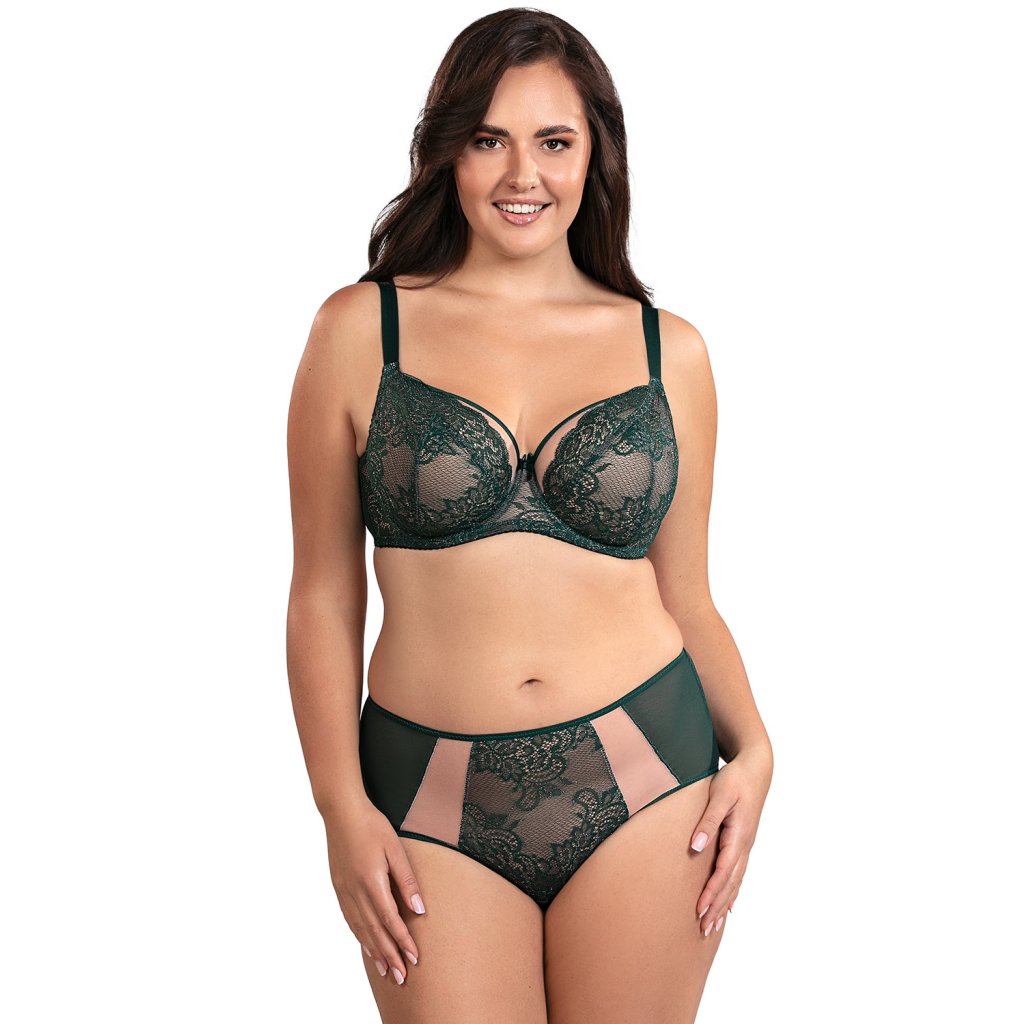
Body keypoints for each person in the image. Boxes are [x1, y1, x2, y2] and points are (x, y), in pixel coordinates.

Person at [286, 9, 773, 1022]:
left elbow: (686, 594)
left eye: (554, 142)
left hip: (650, 769)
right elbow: (323, 595)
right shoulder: (359, 330)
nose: (523, 175)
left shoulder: (669, 351)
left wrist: (759, 748)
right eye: (488, 140)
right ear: (447, 151)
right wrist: (339, 805)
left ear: (595, 154)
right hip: (425, 790)